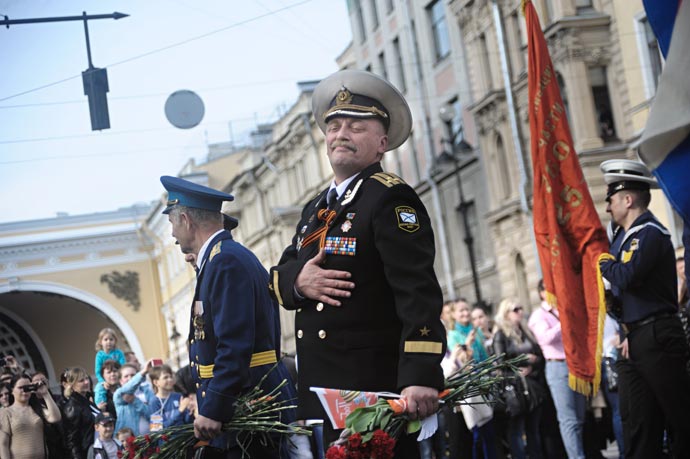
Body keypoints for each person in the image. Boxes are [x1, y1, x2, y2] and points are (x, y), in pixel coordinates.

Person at [268, 69, 447, 456]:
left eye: (356, 126)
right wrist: (301, 281)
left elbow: (417, 290)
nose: (341, 134)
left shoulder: (389, 199)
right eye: (334, 125)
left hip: (374, 390)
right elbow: (280, 274)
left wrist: (420, 376)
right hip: (328, 393)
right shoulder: (317, 207)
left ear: (381, 143)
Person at [160, 175, 296, 458]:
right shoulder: (219, 260)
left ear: (185, 219)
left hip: (247, 401)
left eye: (172, 223)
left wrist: (214, 407)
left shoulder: (225, 262)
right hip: (243, 402)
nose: (172, 233)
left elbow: (233, 344)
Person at [598, 159, 690, 458]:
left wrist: (604, 263)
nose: (608, 208)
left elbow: (628, 276)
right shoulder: (622, 240)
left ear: (628, 199)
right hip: (634, 339)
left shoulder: (650, 233)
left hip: (658, 335)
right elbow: (619, 293)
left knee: (679, 418)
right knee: (637, 422)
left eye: (611, 199)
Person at [527, 279, 586, 459]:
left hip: (574, 364)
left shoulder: (562, 310)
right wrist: (565, 323)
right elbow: (544, 338)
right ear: (542, 293)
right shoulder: (538, 315)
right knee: (569, 420)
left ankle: (580, 452)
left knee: (581, 417)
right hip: (557, 366)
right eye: (550, 289)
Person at [493, 298, 546, 459]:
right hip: (514, 388)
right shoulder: (501, 334)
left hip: (532, 385)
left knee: (533, 429)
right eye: (516, 309)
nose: (520, 312)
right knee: (516, 430)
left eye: (521, 308)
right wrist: (523, 359)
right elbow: (500, 362)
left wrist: (532, 366)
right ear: (506, 313)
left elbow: (541, 356)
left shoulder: (526, 331)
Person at [0, 373, 61, 458]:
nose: (24, 391)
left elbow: (55, 418)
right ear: (12, 390)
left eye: (27, 387)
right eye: (20, 388)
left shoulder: (37, 408)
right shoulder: (6, 412)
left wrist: (45, 394)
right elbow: (3, 445)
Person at [62, 367, 100, 459]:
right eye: (81, 380)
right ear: (72, 385)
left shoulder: (86, 401)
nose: (86, 382)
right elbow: (72, 441)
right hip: (88, 453)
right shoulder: (72, 407)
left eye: (86, 378)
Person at [114, 361, 154, 436]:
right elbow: (129, 387)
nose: (130, 378)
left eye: (133, 375)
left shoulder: (148, 391)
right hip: (130, 442)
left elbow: (155, 415)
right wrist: (143, 372)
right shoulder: (119, 394)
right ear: (120, 381)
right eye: (126, 376)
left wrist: (135, 401)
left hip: (151, 439)